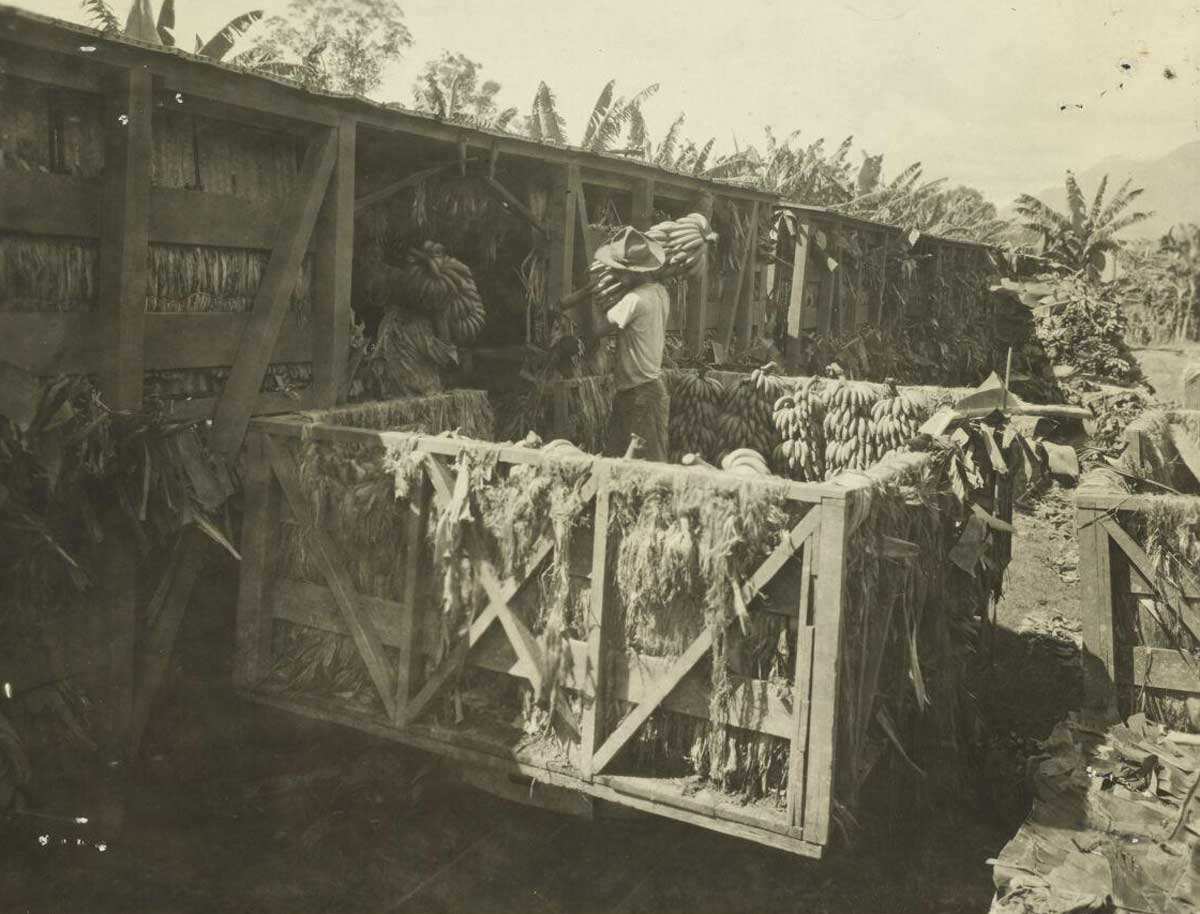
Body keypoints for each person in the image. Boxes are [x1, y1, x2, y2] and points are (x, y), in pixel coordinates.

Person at [592, 228, 671, 462]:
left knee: (646, 466)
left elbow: (599, 329)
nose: (614, 274)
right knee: (618, 461)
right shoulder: (659, 292)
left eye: (618, 270)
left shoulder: (634, 301)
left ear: (632, 273)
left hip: (640, 395)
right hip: (639, 391)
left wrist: (596, 294)